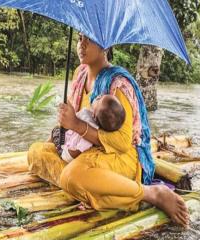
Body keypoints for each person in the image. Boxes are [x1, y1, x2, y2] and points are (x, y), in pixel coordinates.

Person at [27, 33, 189, 227]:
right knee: (36, 152)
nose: (82, 44)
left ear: (105, 45)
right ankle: (95, 189)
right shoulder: (80, 74)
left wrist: (77, 126)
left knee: (71, 177)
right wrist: (57, 136)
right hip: (85, 151)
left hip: (120, 157)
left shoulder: (118, 84)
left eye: (89, 39)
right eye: (79, 39)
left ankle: (150, 193)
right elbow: (71, 121)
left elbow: (122, 143)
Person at [51, 94, 126, 162]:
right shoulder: (89, 114)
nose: (99, 96)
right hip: (69, 136)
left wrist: (65, 153)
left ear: (94, 115)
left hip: (65, 152)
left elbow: (76, 152)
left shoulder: (90, 134)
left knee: (55, 131)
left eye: (99, 99)